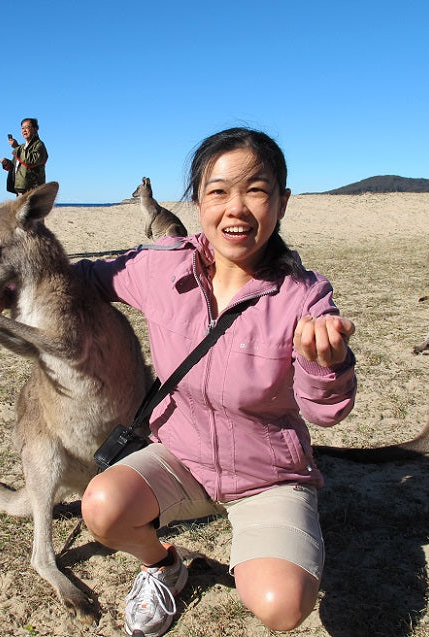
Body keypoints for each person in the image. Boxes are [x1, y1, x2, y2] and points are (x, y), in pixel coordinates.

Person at [76, 127, 357, 636]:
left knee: (280, 606)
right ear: (198, 201)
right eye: (219, 191)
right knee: (101, 506)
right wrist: (15, 284)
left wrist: (325, 364)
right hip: (180, 457)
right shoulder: (161, 268)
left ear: (282, 202)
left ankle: (280, 536)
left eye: (256, 190)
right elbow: (92, 277)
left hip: (267, 475)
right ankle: (164, 565)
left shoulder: (303, 296)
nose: (236, 208)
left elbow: (325, 413)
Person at [0, 118, 48, 195]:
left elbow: (31, 161)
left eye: (27, 127)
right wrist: (6, 163)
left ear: (35, 129)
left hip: (32, 190)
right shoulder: (22, 147)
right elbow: (15, 167)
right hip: (21, 190)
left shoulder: (39, 145)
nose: (24, 130)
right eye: (22, 128)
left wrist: (16, 147)